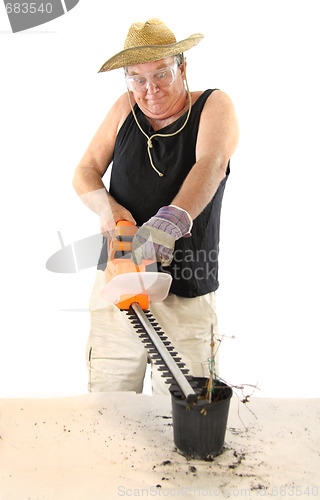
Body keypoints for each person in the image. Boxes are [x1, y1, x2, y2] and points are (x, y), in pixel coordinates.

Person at [72, 18, 239, 394]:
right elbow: (84, 171)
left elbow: (211, 164)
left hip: (186, 292)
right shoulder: (124, 108)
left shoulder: (213, 105)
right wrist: (106, 208)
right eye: (139, 79)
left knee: (186, 410)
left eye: (161, 74)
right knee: (110, 411)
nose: (151, 89)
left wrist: (169, 223)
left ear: (182, 67)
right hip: (119, 285)